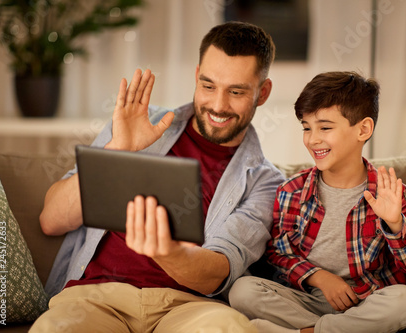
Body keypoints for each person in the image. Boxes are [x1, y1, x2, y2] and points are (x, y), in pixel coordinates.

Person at [31, 21, 285, 333]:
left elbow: (218, 272)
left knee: (231, 327)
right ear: (196, 76)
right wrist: (117, 150)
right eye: (208, 86)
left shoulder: (266, 181)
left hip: (188, 309)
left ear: (263, 92)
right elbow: (52, 220)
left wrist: (164, 249)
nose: (218, 105)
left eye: (236, 91)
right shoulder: (138, 122)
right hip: (96, 298)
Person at [229, 71, 406, 333]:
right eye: (306, 127)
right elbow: (278, 254)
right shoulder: (291, 191)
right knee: (242, 291)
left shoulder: (392, 193)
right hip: (305, 300)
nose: (313, 139)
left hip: (366, 303)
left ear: (363, 129)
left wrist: (395, 224)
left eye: (325, 127)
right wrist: (320, 278)